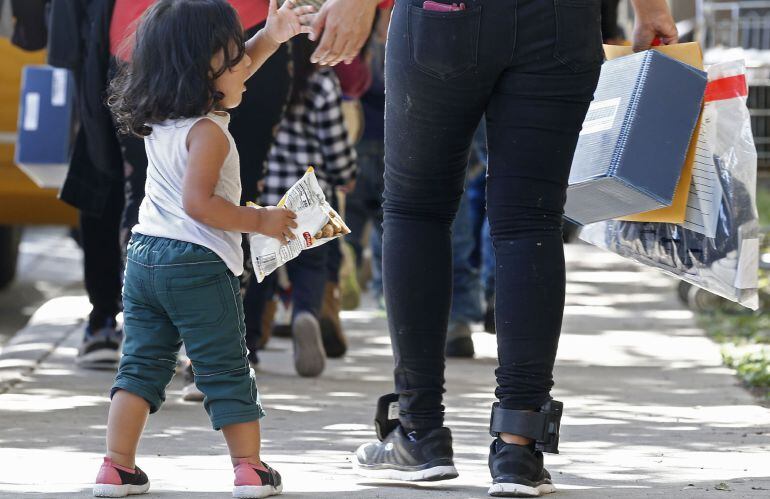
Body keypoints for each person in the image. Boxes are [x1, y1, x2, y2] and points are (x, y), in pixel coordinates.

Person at [353, 0, 678, 497]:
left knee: (417, 210)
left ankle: (418, 431)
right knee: (531, 219)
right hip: (560, 21)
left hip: (446, 17)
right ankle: (518, 445)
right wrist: (651, 7)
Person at [91, 1, 312, 497]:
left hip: (145, 257)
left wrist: (271, 36)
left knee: (141, 366)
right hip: (196, 263)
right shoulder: (208, 132)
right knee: (224, 366)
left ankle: (116, 467)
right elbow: (201, 206)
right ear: (205, 72)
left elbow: (237, 68)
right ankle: (250, 469)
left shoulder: (164, 117)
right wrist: (262, 221)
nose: (246, 71)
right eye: (235, 60)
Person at [252, 36, 357, 377]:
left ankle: (249, 344)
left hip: (264, 192)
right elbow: (335, 141)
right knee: (312, 265)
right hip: (310, 194)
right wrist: (345, 174)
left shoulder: (260, 73)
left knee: (260, 270)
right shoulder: (322, 80)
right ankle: (305, 313)